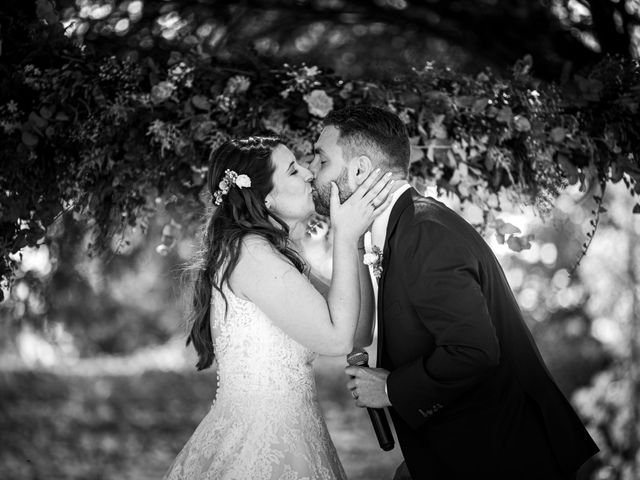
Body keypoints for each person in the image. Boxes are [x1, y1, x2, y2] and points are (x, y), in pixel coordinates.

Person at [309, 105, 600, 480]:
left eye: (321, 161)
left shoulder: (424, 233)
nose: (312, 173)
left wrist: (392, 389)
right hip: (466, 449)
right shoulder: (403, 228)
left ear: (360, 169)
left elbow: (474, 351)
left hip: (507, 458)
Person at [163, 136, 393, 480]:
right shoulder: (252, 255)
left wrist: (357, 241)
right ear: (266, 196)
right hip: (262, 444)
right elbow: (337, 341)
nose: (309, 173)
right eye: (293, 169)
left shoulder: (275, 254)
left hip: (297, 432)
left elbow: (358, 331)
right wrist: (343, 237)